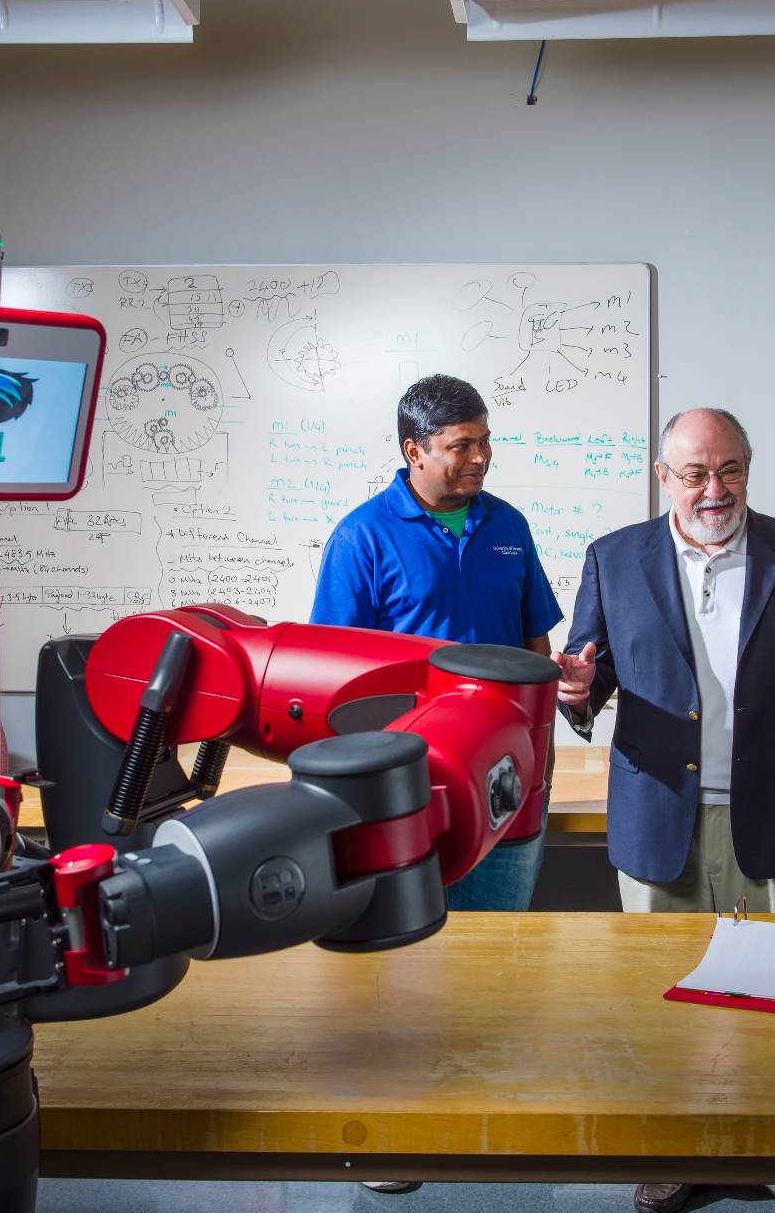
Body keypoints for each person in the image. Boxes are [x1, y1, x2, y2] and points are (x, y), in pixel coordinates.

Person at [554, 406, 775, 1213]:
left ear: (748, 465)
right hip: (658, 809)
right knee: (665, 994)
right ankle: (679, 1147)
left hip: (774, 808)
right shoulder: (615, 557)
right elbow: (590, 670)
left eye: (731, 470)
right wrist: (577, 689)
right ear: (662, 476)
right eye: (695, 474)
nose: (716, 490)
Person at [311, 373, 563, 1195]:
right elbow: (335, 684)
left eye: (485, 441)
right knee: (398, 961)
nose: (480, 458)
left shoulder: (507, 526)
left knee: (493, 957)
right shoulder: (362, 537)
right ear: (412, 450)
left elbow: (534, 653)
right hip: (407, 797)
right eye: (461, 446)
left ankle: (480, 1115)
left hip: (511, 785)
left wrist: (569, 682)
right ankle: (395, 1128)